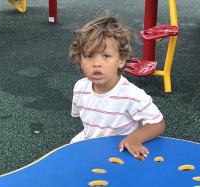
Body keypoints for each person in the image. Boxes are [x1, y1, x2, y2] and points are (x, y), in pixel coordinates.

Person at [69, 15, 166, 159]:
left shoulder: (132, 95)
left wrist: (135, 138)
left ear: (121, 60)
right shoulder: (80, 88)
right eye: (89, 56)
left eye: (106, 56)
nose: (97, 63)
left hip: (119, 150)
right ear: (80, 60)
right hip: (90, 144)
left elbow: (158, 124)